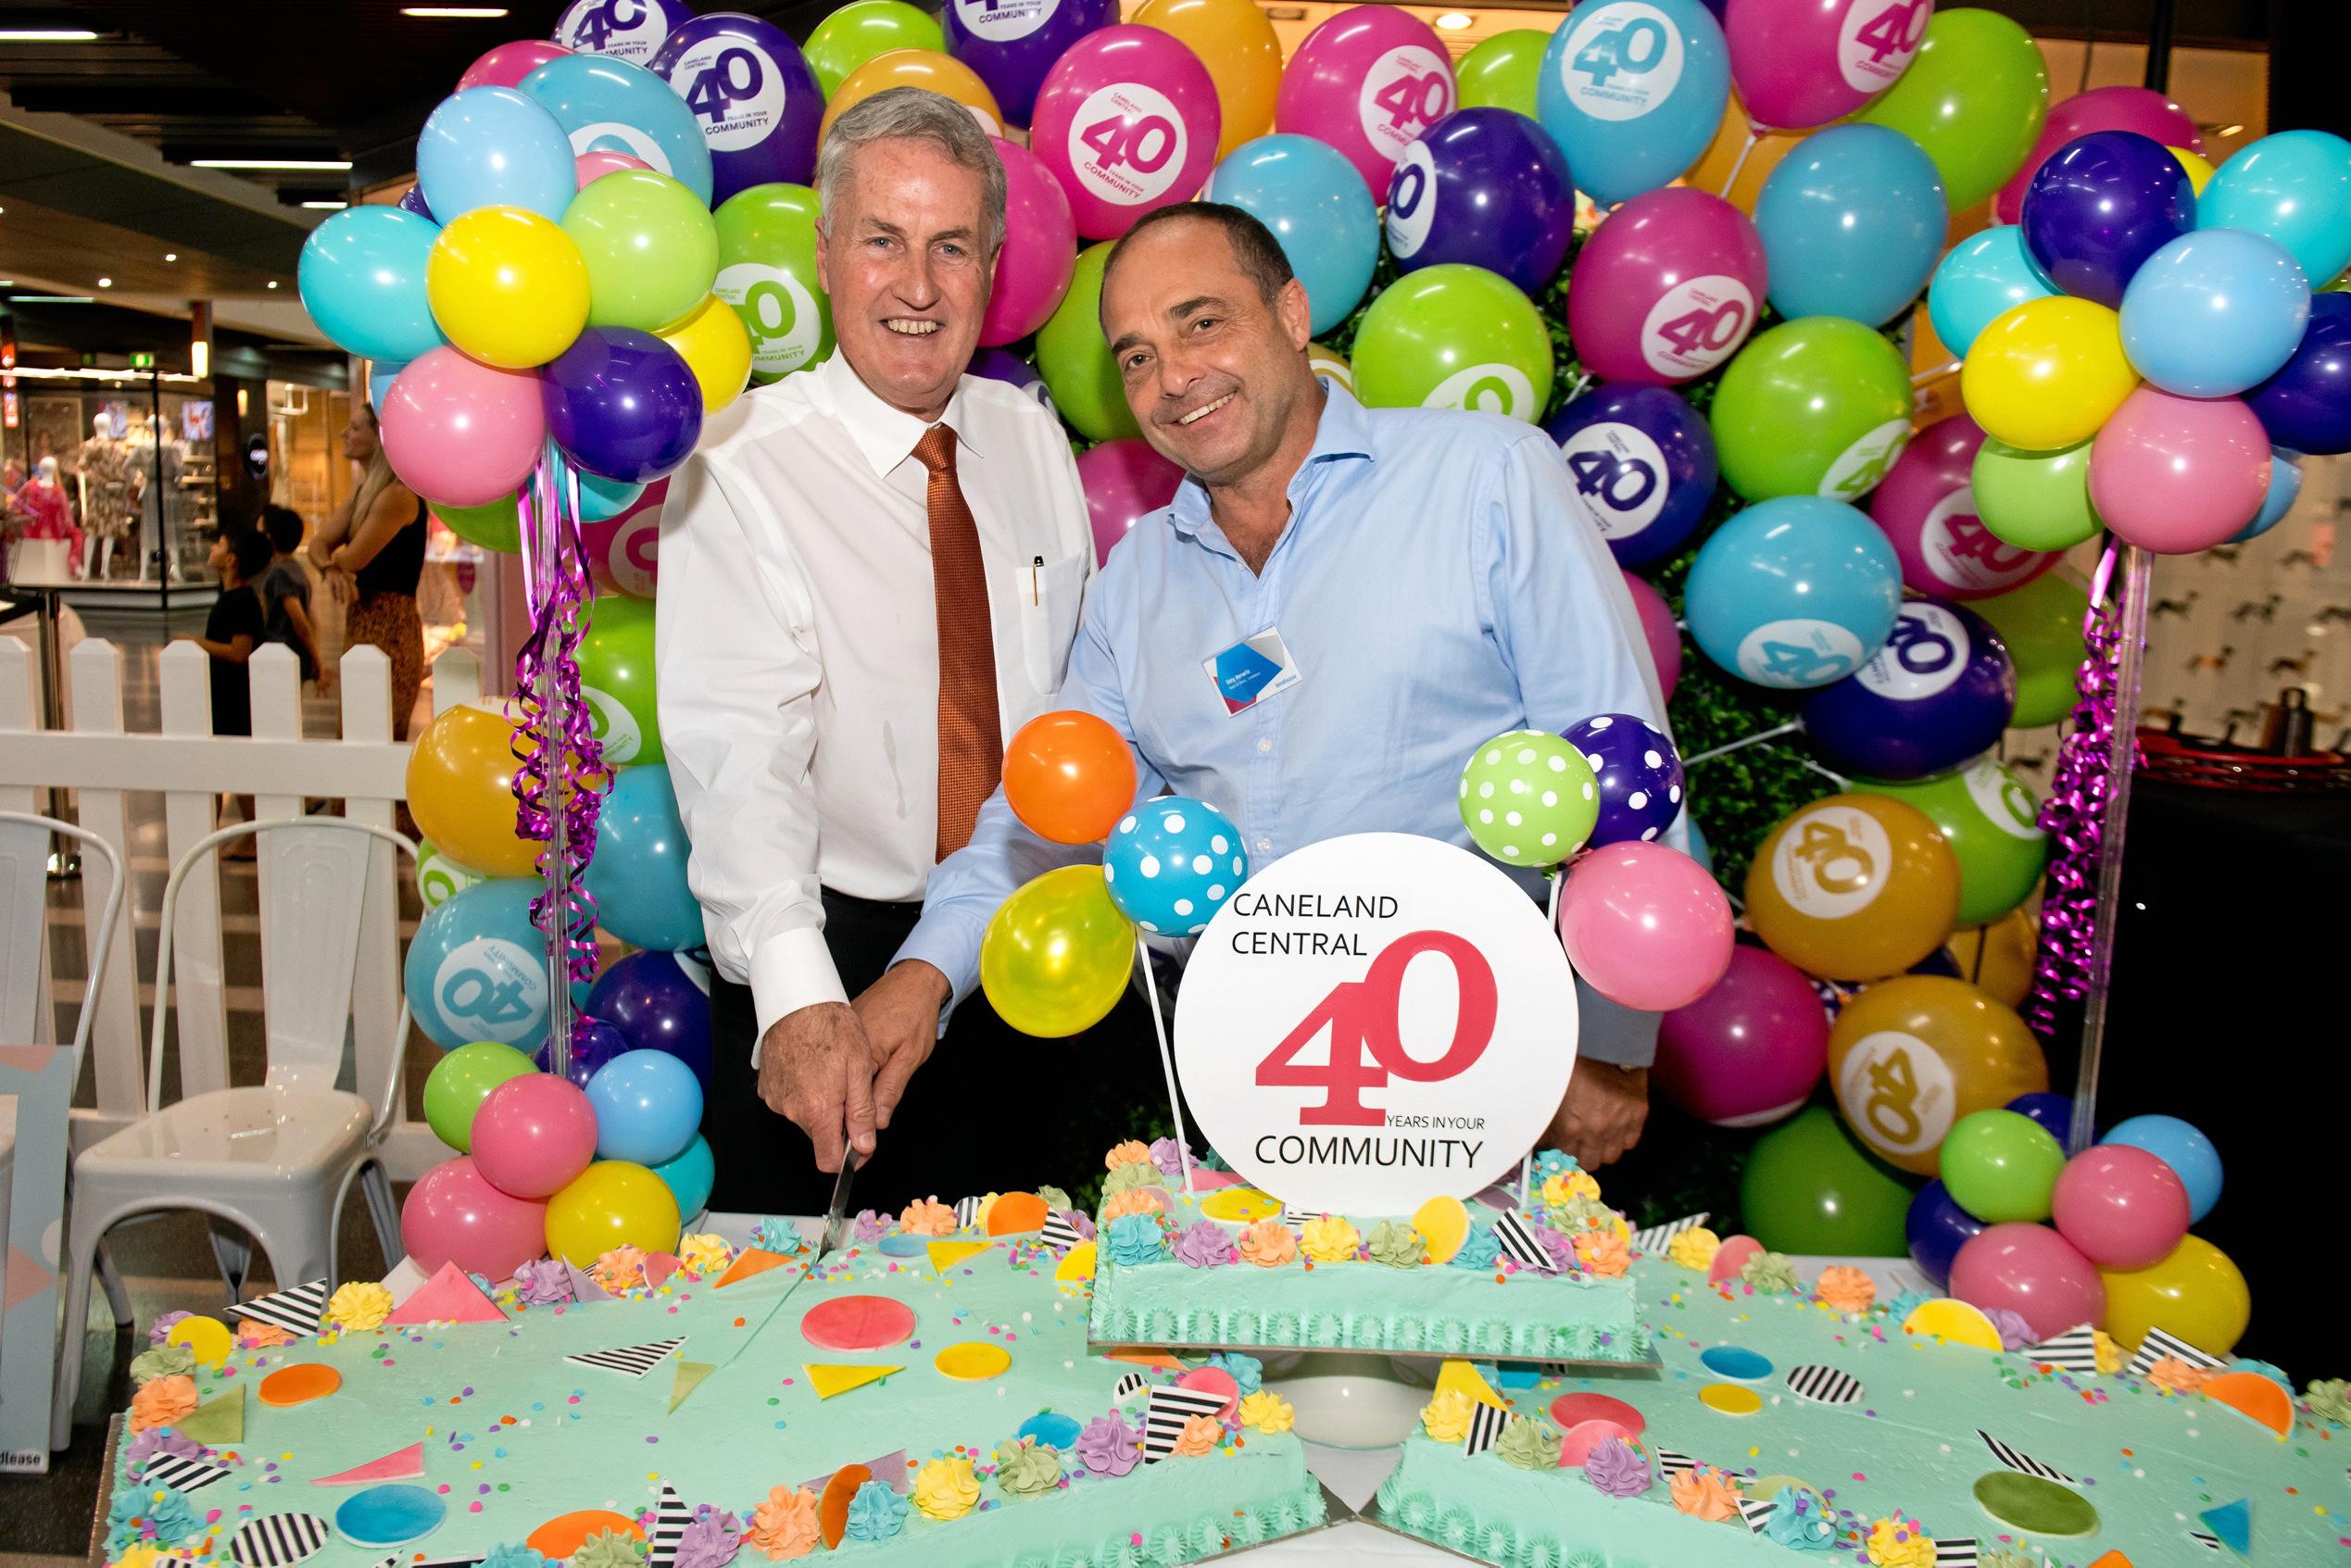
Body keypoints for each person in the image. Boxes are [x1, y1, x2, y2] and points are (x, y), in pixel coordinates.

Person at [896, 204, 1682, 1171]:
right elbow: (1040, 818)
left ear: (1294, 313)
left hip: (1486, 1080)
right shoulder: (1134, 584)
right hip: (1244, 1093)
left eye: (1202, 321)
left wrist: (1609, 1046)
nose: (1175, 376)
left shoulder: (1483, 482)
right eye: (1137, 356)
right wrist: (920, 975)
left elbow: (1619, 764)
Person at [658, 87, 1153, 1213]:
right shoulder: (740, 463)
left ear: (992, 265)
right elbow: (741, 753)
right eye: (883, 241)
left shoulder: (1029, 437)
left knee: (1023, 1329)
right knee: (807, 1342)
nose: (918, 287)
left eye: (952, 248)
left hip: (1018, 957)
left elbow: (1073, 698)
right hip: (829, 959)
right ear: (827, 254)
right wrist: (796, 993)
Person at [309, 403, 425, 740]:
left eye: (356, 427)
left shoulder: (397, 496)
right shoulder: (363, 493)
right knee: (354, 734)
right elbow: (318, 545)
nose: (346, 434)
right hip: (361, 621)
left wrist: (333, 566)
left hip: (391, 626)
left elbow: (354, 559)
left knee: (381, 735)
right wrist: (330, 567)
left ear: (380, 438)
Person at [182, 524, 271, 740]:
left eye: (219, 545)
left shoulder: (242, 601)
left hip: (234, 700)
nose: (212, 548)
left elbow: (239, 652)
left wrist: (194, 641)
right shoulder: (232, 597)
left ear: (231, 560)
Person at [258, 504, 327, 693]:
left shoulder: (279, 573)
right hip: (293, 655)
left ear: (270, 538)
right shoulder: (298, 571)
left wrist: (317, 659)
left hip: (282, 653)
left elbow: (299, 621)